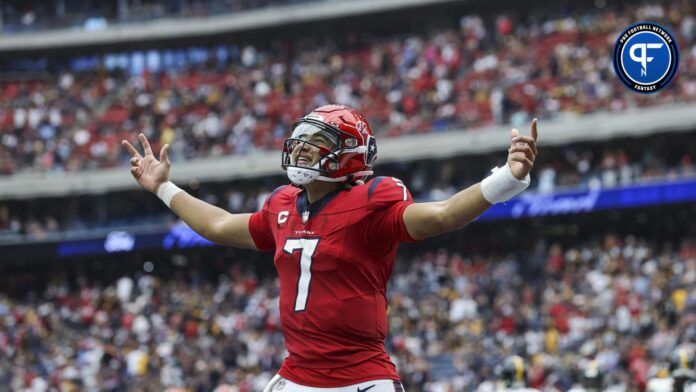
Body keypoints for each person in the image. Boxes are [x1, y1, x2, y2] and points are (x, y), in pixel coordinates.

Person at [122, 104, 539, 391]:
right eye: (300, 140)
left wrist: (507, 178)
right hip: (298, 375)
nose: (300, 149)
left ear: (345, 156)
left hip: (360, 378)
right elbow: (217, 224)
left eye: (314, 143)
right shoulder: (282, 204)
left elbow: (443, 215)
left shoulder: (373, 201)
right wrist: (163, 187)